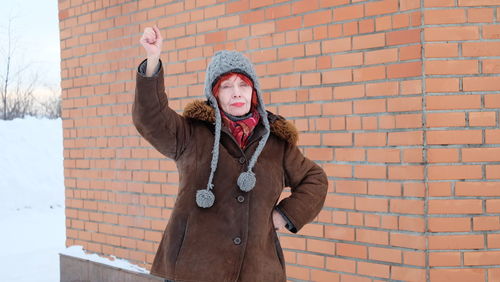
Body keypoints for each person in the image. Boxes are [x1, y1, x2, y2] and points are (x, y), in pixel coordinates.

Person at [133, 26, 328, 282]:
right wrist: (153, 59)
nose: (236, 92)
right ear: (214, 95)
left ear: (253, 91)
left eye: (243, 85)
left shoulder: (277, 143)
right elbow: (151, 118)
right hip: (192, 271)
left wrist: (284, 216)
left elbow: (315, 179)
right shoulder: (190, 134)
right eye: (226, 86)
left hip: (258, 272)